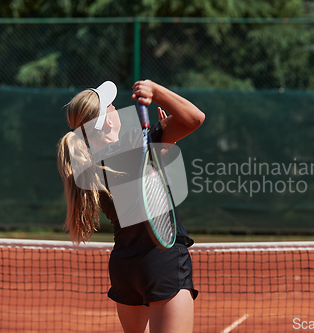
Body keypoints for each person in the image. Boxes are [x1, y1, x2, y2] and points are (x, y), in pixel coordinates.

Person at [57, 79, 205, 333]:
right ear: (107, 123)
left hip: (125, 268)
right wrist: (157, 92)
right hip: (161, 260)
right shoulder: (137, 143)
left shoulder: (90, 167)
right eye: (111, 106)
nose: (116, 108)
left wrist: (162, 146)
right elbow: (195, 118)